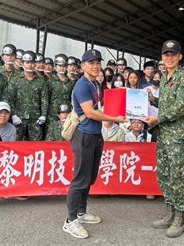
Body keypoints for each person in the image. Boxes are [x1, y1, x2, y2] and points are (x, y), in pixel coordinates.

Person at [63, 49, 126, 239]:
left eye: (98, 62)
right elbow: (90, 112)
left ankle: (81, 212)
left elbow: (98, 109)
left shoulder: (95, 84)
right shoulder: (82, 85)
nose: (95, 66)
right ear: (83, 66)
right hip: (84, 136)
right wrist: (114, 118)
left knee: (90, 177)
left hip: (95, 135)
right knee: (80, 178)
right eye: (91, 62)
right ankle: (70, 220)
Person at [145, 40, 184, 238]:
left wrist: (158, 117)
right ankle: (170, 213)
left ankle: (180, 217)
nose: (169, 57)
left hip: (177, 138)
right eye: (166, 54)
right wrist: (151, 100)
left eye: (173, 54)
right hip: (163, 135)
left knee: (177, 177)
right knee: (164, 175)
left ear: (180, 56)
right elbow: (167, 105)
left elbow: (181, 108)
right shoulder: (165, 77)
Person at [6, 51, 48, 141]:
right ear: (23, 63)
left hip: (35, 119)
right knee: (16, 144)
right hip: (19, 119)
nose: (30, 65)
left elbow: (44, 100)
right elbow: (10, 99)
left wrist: (43, 115)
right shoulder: (15, 80)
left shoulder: (41, 81)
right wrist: (13, 115)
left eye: (32, 63)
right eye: (27, 63)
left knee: (35, 146)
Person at [46, 54, 73, 139]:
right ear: (55, 66)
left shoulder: (70, 83)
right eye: (60, 66)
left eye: (64, 66)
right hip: (52, 115)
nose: (62, 68)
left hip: (66, 114)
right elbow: (46, 99)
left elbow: (71, 98)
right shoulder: (50, 81)